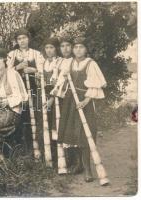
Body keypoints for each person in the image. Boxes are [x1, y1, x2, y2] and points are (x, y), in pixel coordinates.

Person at [54, 36, 107, 182]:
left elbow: (96, 85)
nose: (78, 50)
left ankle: (88, 169)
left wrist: (86, 100)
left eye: (81, 47)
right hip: (71, 101)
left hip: (85, 101)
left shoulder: (90, 64)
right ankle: (78, 165)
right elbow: (60, 81)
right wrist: (60, 84)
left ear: (86, 49)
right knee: (72, 132)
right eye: (76, 47)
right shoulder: (69, 63)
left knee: (85, 133)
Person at [6, 28, 45, 153]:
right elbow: (6, 73)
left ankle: (36, 148)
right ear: (16, 41)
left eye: (24, 38)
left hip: (33, 89)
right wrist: (18, 67)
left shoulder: (36, 54)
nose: (22, 41)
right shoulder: (12, 55)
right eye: (19, 39)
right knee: (19, 117)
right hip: (17, 92)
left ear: (28, 39)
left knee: (32, 117)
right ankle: (21, 149)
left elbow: (43, 71)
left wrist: (33, 70)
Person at [41, 37, 62, 167]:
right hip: (44, 96)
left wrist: (53, 99)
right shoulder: (42, 63)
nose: (49, 50)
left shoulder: (60, 62)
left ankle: (61, 157)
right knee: (46, 124)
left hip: (57, 97)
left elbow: (60, 83)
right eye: (47, 48)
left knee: (56, 124)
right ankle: (50, 157)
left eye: (52, 48)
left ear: (56, 49)